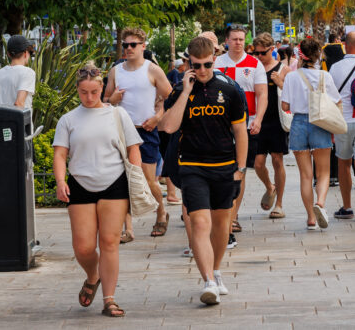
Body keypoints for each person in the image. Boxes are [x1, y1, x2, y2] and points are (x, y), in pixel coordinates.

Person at [160, 36, 248, 304]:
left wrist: (240, 169)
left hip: (224, 166)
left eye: (207, 65)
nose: (201, 71)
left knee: (221, 225)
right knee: (199, 221)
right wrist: (186, 92)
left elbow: (240, 131)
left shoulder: (230, 89)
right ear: (188, 62)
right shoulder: (179, 90)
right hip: (192, 165)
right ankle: (208, 280)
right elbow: (169, 127)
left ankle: (216, 269)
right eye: (196, 65)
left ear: (214, 59)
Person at [53, 62, 142, 317]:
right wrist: (61, 182)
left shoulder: (118, 115)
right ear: (77, 91)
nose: (89, 97)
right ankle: (93, 275)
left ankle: (109, 299)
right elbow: (60, 155)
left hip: (114, 182)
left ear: (102, 87)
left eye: (94, 92)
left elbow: (133, 149)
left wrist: (136, 179)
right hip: (80, 184)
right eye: (84, 93)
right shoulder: (68, 119)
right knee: (82, 247)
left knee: (110, 242)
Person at [105, 28, 172, 238]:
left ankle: (161, 213)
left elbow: (170, 97)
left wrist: (157, 117)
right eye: (125, 45)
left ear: (143, 46)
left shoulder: (153, 70)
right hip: (122, 130)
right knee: (123, 179)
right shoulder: (116, 71)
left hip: (146, 130)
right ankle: (128, 229)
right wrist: (112, 100)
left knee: (148, 179)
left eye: (133, 45)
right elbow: (104, 101)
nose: (128, 49)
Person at [281, 38, 342, 230]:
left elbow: (285, 106)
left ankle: (310, 217)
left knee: (305, 176)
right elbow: (337, 101)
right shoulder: (325, 76)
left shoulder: (291, 76)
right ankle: (321, 203)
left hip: (299, 123)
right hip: (320, 122)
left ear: (300, 55)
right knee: (323, 172)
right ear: (318, 56)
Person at [214, 25, 267, 246]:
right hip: (222, 125)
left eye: (241, 39)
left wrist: (258, 119)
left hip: (247, 123)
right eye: (234, 39)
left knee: (240, 169)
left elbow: (262, 93)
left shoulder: (254, 64)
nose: (237, 42)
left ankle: (233, 216)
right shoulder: (217, 64)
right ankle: (225, 214)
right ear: (226, 41)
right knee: (223, 168)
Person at [329, 31, 355, 222]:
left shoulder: (335, 68)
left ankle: (347, 207)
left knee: (343, 163)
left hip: (342, 121)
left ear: (345, 45)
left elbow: (330, 97)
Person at [252, 33, 289, 219]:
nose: (258, 57)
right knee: (258, 164)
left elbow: (293, 96)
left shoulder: (283, 69)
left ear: (272, 50)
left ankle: (280, 204)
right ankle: (270, 187)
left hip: (276, 121)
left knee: (277, 160)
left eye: (262, 53)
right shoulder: (252, 68)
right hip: (258, 120)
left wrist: (280, 82)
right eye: (255, 53)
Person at [0, 35, 36, 109]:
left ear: (8, 54)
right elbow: (19, 103)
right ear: (25, 53)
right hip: (19, 120)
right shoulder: (28, 73)